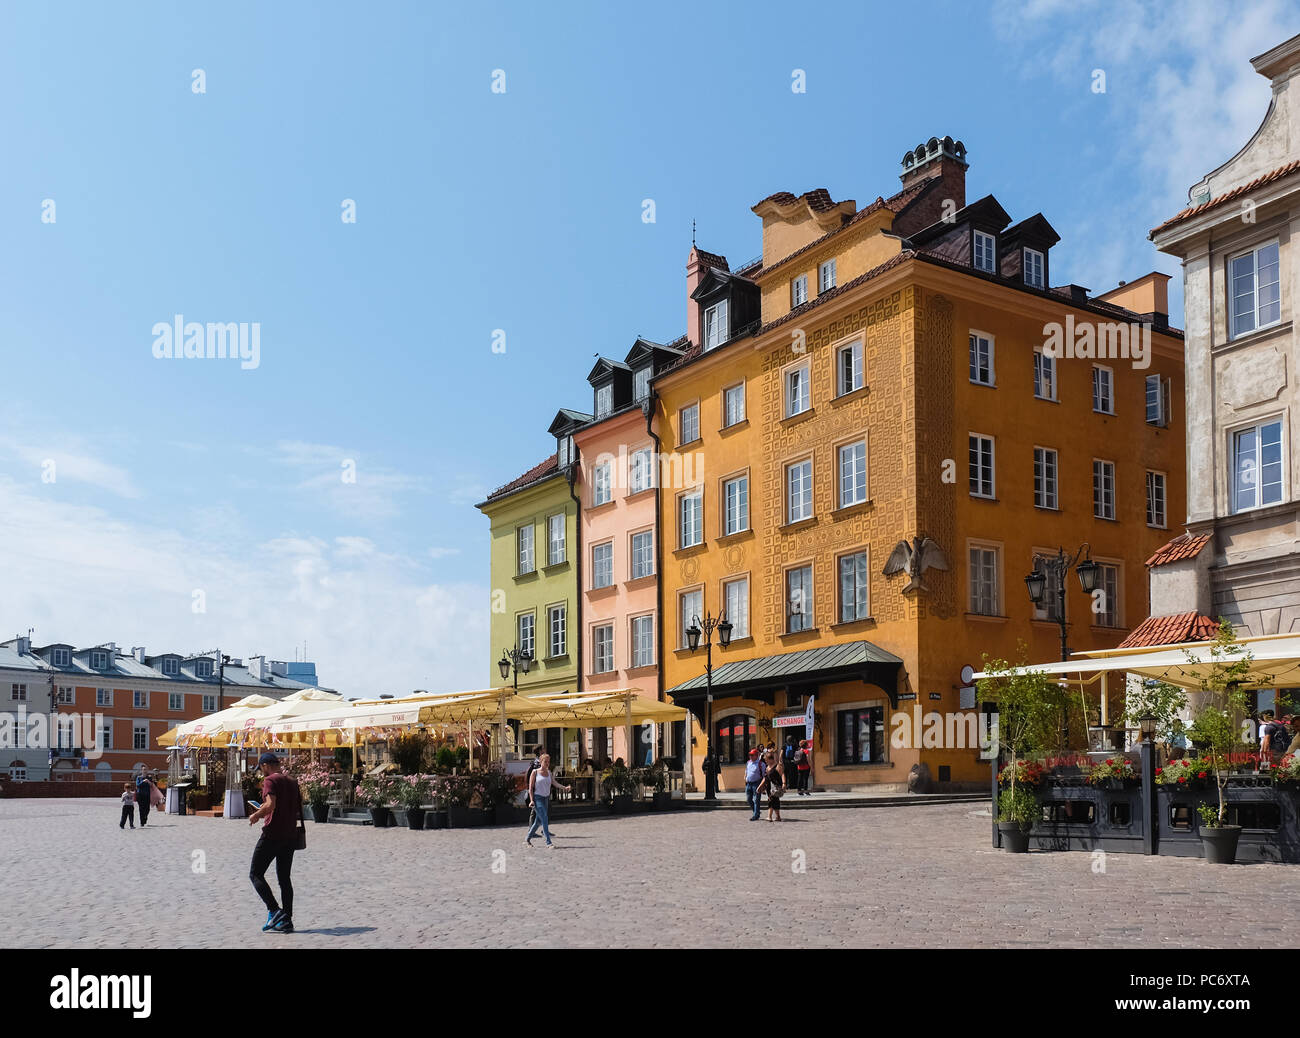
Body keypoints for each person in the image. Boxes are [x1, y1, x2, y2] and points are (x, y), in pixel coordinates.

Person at [247, 751, 303, 934]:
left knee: (255, 874)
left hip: (273, 833)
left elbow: (271, 804)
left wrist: (256, 814)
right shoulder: (293, 781)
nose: (261, 772)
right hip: (290, 834)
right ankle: (287, 919)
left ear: (265, 765)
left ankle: (274, 910)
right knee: (284, 878)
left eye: (261, 768)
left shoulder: (270, 780)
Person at [526, 753, 570, 848]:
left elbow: (555, 783)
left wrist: (564, 788)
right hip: (537, 799)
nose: (547, 763)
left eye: (548, 762)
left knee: (537, 822)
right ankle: (548, 842)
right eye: (545, 761)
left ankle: (527, 839)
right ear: (541, 762)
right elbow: (530, 788)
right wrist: (531, 800)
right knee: (545, 818)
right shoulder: (535, 772)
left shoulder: (549, 773)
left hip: (546, 799)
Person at [759, 752, 785, 822]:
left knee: (771, 801)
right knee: (775, 801)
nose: (766, 761)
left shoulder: (777, 766)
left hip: (775, 787)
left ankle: (769, 817)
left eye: (766, 760)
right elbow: (765, 778)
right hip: (769, 787)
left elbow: (782, 774)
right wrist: (760, 786)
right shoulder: (767, 768)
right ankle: (778, 816)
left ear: (771, 759)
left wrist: (784, 783)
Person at [525, 748, 543, 832]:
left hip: (539, 789)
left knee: (542, 810)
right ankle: (532, 830)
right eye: (543, 749)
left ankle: (543, 829)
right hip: (538, 790)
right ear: (540, 751)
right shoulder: (538, 763)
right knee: (535, 810)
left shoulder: (535, 762)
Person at [744, 748, 764, 821]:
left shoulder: (761, 764)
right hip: (748, 783)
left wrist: (762, 786)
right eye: (750, 755)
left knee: (756, 800)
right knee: (749, 799)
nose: (750, 756)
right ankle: (756, 811)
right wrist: (745, 777)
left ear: (756, 756)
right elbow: (746, 770)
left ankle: (755, 815)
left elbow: (764, 775)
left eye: (752, 755)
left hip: (757, 783)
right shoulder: (748, 762)